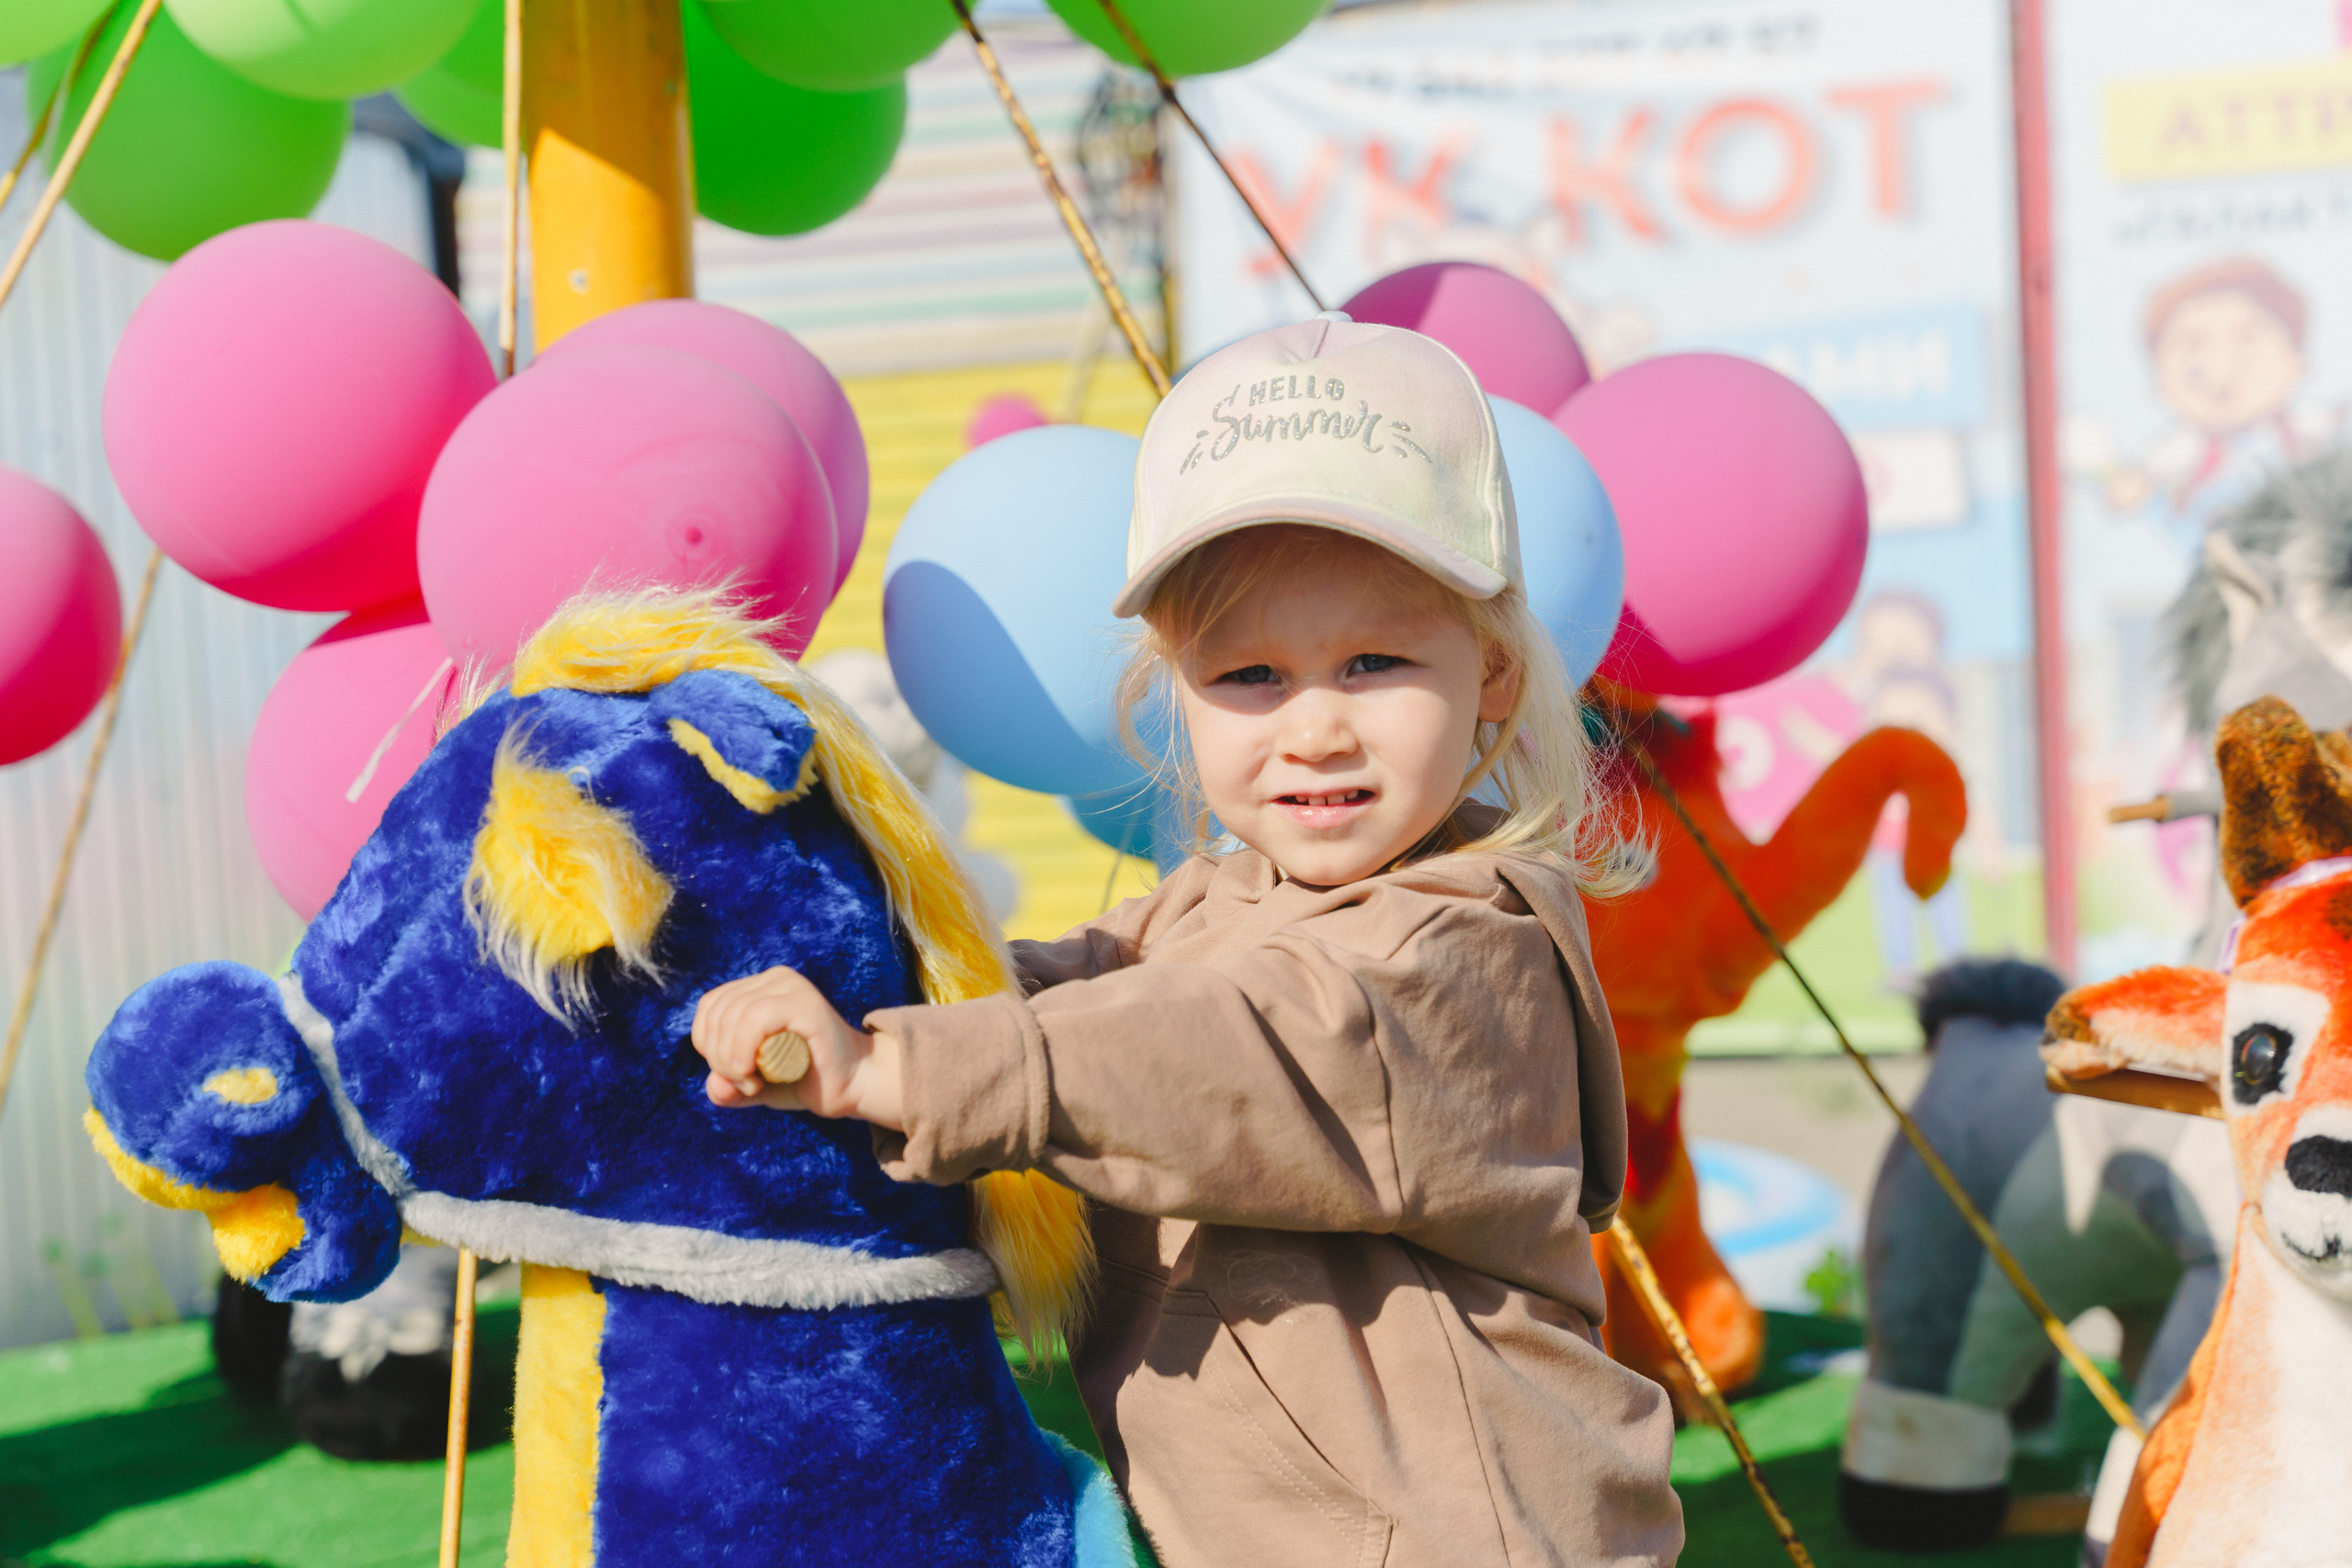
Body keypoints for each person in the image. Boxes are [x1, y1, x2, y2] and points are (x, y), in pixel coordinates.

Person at [692, 314, 1683, 1566]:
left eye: (1373, 662)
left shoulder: (1466, 946)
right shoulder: (1209, 905)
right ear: (1175, 689)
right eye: (1250, 676)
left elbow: (1224, 1052)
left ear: (1490, 671)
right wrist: (841, 982)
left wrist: (898, 1069)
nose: (1313, 727)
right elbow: (1049, 985)